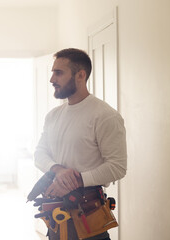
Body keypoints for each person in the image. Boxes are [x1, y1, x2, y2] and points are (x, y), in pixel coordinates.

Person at [34, 48, 127, 240]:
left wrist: (75, 180)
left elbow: (117, 167)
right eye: (52, 72)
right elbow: (40, 153)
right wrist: (58, 170)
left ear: (80, 75)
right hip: (57, 219)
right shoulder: (53, 116)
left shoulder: (104, 116)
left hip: (88, 218)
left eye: (58, 73)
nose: (52, 79)